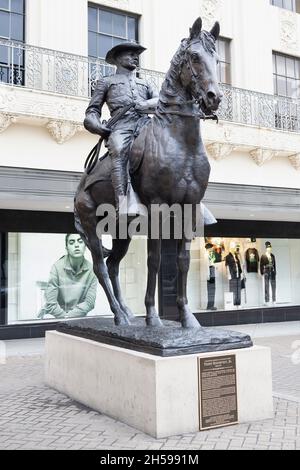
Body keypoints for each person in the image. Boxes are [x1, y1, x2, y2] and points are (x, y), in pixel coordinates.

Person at [84, 41, 159, 214]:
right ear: (117, 58)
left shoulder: (145, 84)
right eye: (130, 54)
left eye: (137, 55)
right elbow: (92, 111)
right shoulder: (106, 82)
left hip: (145, 123)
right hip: (121, 125)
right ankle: (123, 203)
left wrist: (145, 104)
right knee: (118, 148)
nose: (135, 58)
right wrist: (98, 127)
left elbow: (159, 102)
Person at [38, 234, 97, 319]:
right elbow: (51, 303)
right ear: (67, 248)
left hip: (77, 317)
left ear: (85, 246)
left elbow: (89, 303)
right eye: (72, 242)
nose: (76, 245)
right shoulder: (56, 267)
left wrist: (69, 317)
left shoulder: (92, 270)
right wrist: (65, 318)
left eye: (80, 241)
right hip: (54, 316)